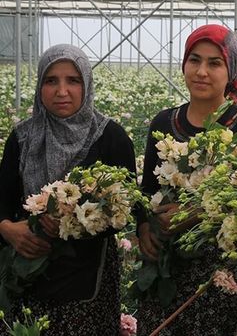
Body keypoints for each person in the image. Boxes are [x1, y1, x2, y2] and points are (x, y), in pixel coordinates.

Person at [136, 23, 237, 336]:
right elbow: (147, 191)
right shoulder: (164, 122)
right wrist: (143, 229)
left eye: (214, 62)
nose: (201, 71)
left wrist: (196, 214)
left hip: (226, 272)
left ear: (231, 70)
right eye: (194, 60)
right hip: (170, 267)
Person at [0, 44, 136, 335]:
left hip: (87, 282)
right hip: (27, 274)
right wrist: (8, 230)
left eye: (73, 80)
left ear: (86, 83)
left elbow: (125, 210)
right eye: (51, 81)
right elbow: (3, 199)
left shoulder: (110, 137)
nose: (62, 91)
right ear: (40, 86)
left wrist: (72, 223)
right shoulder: (22, 137)